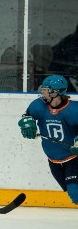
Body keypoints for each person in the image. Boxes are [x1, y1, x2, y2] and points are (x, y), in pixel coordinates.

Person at [18, 75, 78, 204]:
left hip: (74, 157)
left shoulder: (74, 110)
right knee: (71, 192)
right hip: (53, 159)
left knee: (75, 192)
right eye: (43, 89)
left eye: (46, 90)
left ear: (57, 92)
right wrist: (27, 123)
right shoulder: (38, 105)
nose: (43, 92)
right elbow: (26, 116)